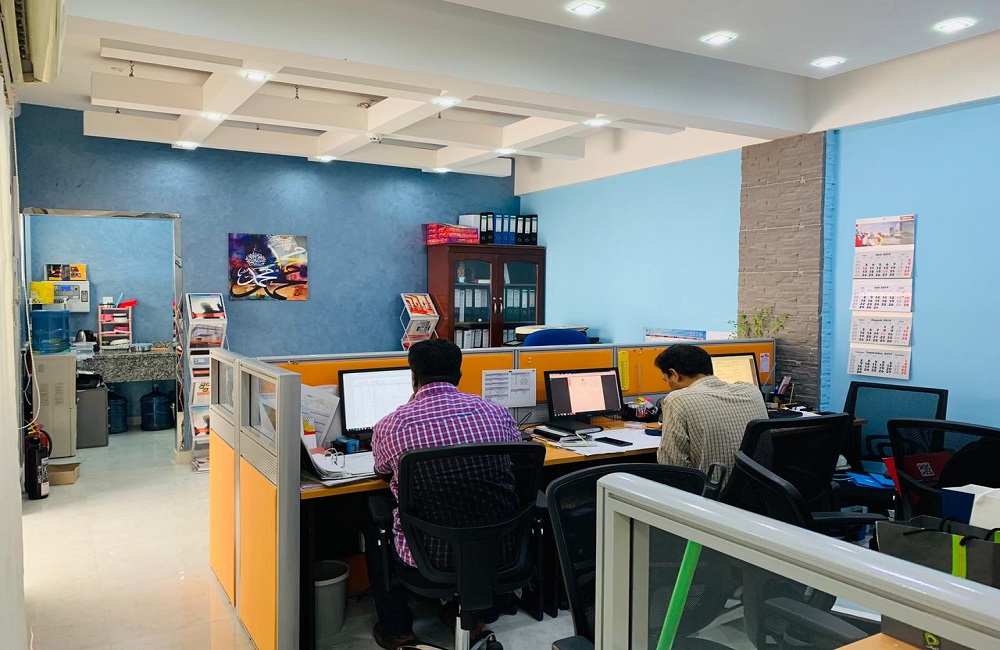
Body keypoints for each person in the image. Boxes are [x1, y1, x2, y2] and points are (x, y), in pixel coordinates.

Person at [367, 339, 521, 649]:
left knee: (374, 521)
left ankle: (398, 631)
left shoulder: (391, 425)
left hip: (428, 555)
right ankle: (475, 619)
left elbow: (382, 471)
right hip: (498, 549)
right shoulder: (496, 412)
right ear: (459, 375)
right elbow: (515, 454)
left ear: (413, 377)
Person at [654, 344, 768, 480]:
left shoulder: (678, 399)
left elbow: (672, 466)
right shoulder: (752, 390)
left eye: (666, 379)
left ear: (674, 374)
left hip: (711, 490)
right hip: (760, 487)